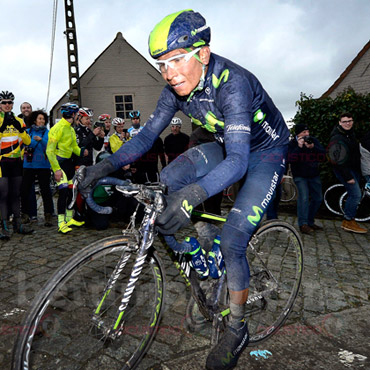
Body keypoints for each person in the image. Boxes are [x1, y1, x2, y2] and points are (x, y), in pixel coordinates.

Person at [79, 10, 290, 369]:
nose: (168, 72)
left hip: (262, 154)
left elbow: (238, 163)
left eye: (176, 60)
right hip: (226, 145)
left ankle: (237, 328)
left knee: (234, 241)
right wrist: (106, 165)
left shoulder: (233, 84)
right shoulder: (174, 89)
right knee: (162, 191)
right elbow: (146, 136)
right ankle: (200, 261)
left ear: (203, 54)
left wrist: (192, 197)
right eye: (161, 64)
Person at [46, 103, 87, 234]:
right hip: (59, 163)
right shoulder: (57, 128)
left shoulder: (70, 128)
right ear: (74, 115)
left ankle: (69, 219)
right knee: (63, 192)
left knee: (71, 192)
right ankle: (60, 223)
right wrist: (56, 169)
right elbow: (49, 151)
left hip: (69, 163)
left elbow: (74, 147)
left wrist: (81, 152)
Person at [0, 91, 33, 239]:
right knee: (3, 194)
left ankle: (18, 225)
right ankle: (4, 226)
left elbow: (28, 142)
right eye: (4, 102)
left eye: (10, 102)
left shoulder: (19, 121)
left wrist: (21, 130)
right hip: (2, 162)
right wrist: (2, 128)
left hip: (16, 162)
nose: (7, 105)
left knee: (16, 194)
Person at [328, 113, 367, 234]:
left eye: (349, 121)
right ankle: (348, 221)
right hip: (345, 171)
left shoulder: (350, 135)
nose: (347, 123)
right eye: (345, 121)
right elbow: (336, 160)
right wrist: (347, 176)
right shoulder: (337, 138)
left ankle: (348, 221)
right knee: (355, 195)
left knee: (355, 194)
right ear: (340, 123)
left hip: (352, 170)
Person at [287, 124, 326, 234]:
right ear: (298, 134)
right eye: (304, 133)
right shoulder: (292, 144)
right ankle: (303, 224)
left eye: (307, 132)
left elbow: (323, 155)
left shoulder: (313, 141)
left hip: (314, 174)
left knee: (318, 198)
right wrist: (299, 147)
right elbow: (290, 159)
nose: (306, 134)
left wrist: (313, 147)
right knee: (303, 198)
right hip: (300, 176)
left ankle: (310, 221)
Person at [21, 110, 54, 227]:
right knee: (25, 190)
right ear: (34, 120)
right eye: (40, 119)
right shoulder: (28, 131)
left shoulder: (47, 132)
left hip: (43, 165)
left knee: (46, 191)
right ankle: (25, 214)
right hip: (28, 165)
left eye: (43, 119)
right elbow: (24, 144)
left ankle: (48, 215)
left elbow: (50, 146)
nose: (42, 121)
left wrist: (41, 140)